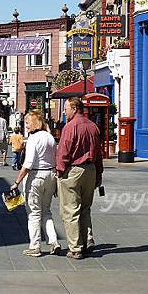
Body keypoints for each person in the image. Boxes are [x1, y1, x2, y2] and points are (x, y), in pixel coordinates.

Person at [56, 97, 103, 260]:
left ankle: (75, 247)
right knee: (85, 207)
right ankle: (87, 239)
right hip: (90, 170)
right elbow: (98, 154)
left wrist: (60, 171)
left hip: (73, 171)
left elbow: (63, 152)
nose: (64, 111)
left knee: (70, 209)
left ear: (74, 108)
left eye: (66, 108)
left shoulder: (70, 127)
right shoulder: (93, 126)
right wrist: (99, 174)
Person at [10, 110, 61, 257]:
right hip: (50, 175)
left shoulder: (33, 139)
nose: (26, 126)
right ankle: (54, 241)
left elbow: (28, 163)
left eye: (27, 123)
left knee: (33, 213)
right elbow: (55, 158)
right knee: (46, 211)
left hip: (36, 176)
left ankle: (35, 246)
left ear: (34, 123)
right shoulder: (50, 137)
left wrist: (17, 181)